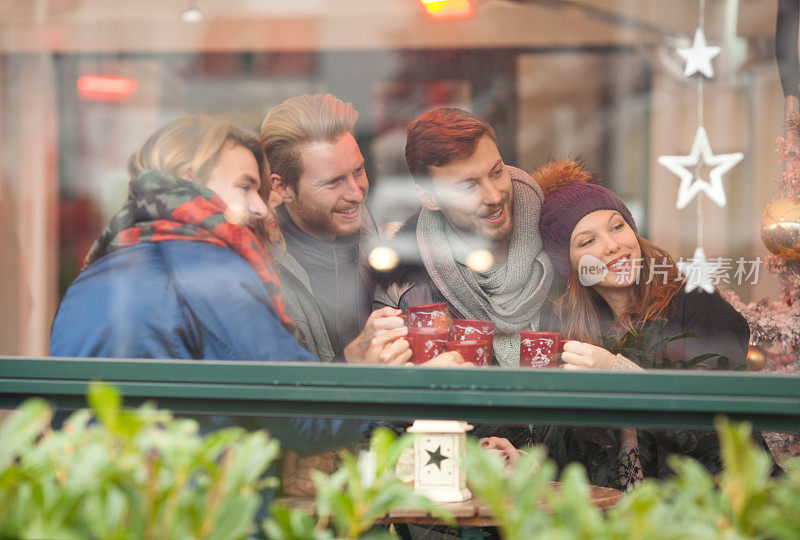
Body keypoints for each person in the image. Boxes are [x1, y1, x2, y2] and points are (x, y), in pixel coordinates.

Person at [49, 114, 370, 459]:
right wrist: (376, 381)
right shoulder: (212, 273)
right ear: (190, 178)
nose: (260, 207)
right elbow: (305, 419)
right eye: (245, 187)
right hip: (187, 501)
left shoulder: (96, 272)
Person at [534, 159, 751, 489]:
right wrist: (526, 461)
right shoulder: (575, 332)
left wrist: (617, 374)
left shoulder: (695, 304)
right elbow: (570, 457)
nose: (612, 245)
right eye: (587, 241)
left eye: (617, 226)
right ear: (571, 267)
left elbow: (715, 433)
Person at [374, 107, 555, 369]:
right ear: (429, 198)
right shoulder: (406, 288)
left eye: (496, 172)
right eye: (467, 186)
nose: (494, 196)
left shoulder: (565, 237)